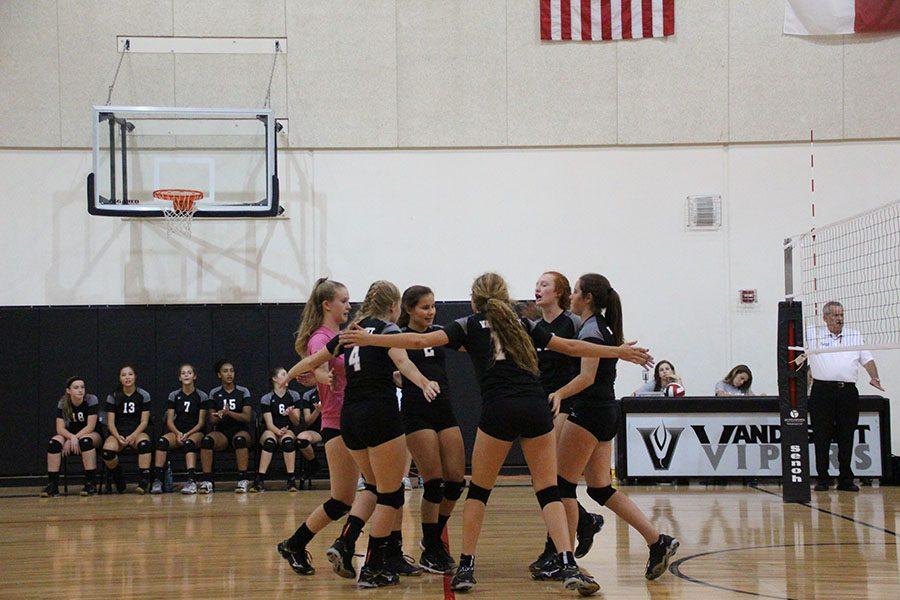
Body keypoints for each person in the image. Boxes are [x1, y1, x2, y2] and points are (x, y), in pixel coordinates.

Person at [340, 272, 654, 595]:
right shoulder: (522, 323)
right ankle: (568, 563)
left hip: (499, 408)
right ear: (504, 297)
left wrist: (372, 339)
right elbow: (573, 347)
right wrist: (618, 352)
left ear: (475, 299)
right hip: (535, 406)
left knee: (478, 492)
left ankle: (466, 566)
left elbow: (418, 341)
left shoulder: (469, 324)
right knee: (549, 491)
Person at [286, 281, 442, 588]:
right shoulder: (386, 331)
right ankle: (371, 566)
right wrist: (423, 382)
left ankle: (348, 544)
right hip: (378, 414)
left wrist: (289, 376)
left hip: (350, 419)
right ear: (394, 306)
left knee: (372, 487)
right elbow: (403, 361)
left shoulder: (350, 334)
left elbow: (312, 362)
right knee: (391, 493)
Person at [553, 274, 679, 581]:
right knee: (599, 488)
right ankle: (657, 540)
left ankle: (566, 561)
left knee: (562, 486)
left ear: (587, 299)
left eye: (575, 292)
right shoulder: (598, 326)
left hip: (589, 412)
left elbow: (586, 378)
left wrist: (557, 394)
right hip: (606, 411)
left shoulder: (593, 331)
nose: (571, 296)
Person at [276, 278, 378, 580]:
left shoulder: (345, 333)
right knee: (370, 491)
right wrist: (320, 376)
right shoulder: (321, 338)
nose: (349, 306)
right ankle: (353, 546)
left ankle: (298, 544)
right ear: (327, 304)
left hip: (355, 420)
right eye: (344, 301)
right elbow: (316, 362)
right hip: (338, 422)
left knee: (346, 498)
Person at [529, 272, 604, 573]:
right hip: (542, 405)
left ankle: (556, 548)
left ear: (560, 292)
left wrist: (562, 395)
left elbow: (586, 367)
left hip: (568, 404)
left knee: (554, 482)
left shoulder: (573, 325)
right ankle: (586, 521)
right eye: (536, 284)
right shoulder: (534, 328)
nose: (537, 288)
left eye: (544, 284)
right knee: (546, 481)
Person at [396, 285, 466, 573]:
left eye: (433, 306)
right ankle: (431, 544)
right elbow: (394, 365)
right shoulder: (398, 335)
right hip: (417, 412)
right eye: (425, 307)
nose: (431, 311)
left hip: (444, 408)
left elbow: (470, 344)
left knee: (455, 482)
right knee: (434, 482)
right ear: (410, 309)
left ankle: (434, 536)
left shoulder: (439, 333)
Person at [806, 301, 883, 492]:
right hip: (822, 391)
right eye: (834, 315)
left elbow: (867, 359)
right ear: (825, 318)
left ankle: (845, 478)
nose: (839, 319)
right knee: (821, 435)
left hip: (847, 392)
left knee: (846, 435)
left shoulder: (854, 335)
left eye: (841, 315)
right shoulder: (813, 333)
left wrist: (874, 377)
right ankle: (823, 478)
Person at [150, 364, 209, 494]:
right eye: (183, 373)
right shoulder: (174, 395)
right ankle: (158, 481)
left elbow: (201, 423)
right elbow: (169, 421)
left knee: (189, 443)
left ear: (195, 376)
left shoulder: (202, 396)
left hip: (195, 432)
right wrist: (177, 433)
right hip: (178, 431)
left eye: (189, 372)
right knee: (161, 442)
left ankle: (191, 481)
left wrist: (187, 434)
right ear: (179, 377)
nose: (186, 375)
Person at [42, 377, 102, 497]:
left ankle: (91, 483)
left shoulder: (91, 399)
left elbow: (90, 426)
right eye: (76, 387)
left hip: (92, 434)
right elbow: (60, 428)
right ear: (68, 391)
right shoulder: (63, 402)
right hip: (69, 435)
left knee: (86, 442)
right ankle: (53, 485)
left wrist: (75, 438)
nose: (80, 390)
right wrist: (71, 437)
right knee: (53, 444)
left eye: (82, 387)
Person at [200, 360, 253, 494]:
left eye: (231, 370)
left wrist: (229, 413)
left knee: (240, 440)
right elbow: (211, 419)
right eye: (225, 371)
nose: (229, 374)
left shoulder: (243, 391)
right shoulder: (214, 393)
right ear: (219, 375)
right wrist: (220, 414)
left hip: (240, 430)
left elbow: (247, 417)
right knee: (207, 441)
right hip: (221, 433)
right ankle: (207, 481)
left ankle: (243, 479)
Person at [101, 365, 153, 494]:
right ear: (120, 378)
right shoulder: (113, 396)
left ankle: (143, 481)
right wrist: (118, 436)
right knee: (107, 452)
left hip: (137, 431)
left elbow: (144, 421)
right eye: (124, 375)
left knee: (145, 445)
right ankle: (118, 476)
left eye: (130, 374)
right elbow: (110, 423)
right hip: (118, 432)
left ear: (135, 377)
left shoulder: (143, 395)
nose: (127, 377)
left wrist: (133, 436)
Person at [253, 367, 303, 492]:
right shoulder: (267, 398)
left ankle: (291, 480)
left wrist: (291, 413)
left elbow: (296, 422)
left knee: (288, 443)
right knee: (269, 442)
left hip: (288, 430)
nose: (288, 376)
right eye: (284, 374)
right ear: (275, 379)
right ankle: (260, 479)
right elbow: (269, 423)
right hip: (271, 429)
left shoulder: (294, 395)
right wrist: (277, 431)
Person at [297, 387, 323, 478]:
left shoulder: (337, 391)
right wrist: (317, 411)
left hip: (335, 429)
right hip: (317, 430)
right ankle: (313, 463)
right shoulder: (309, 395)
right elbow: (307, 421)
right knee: (301, 439)